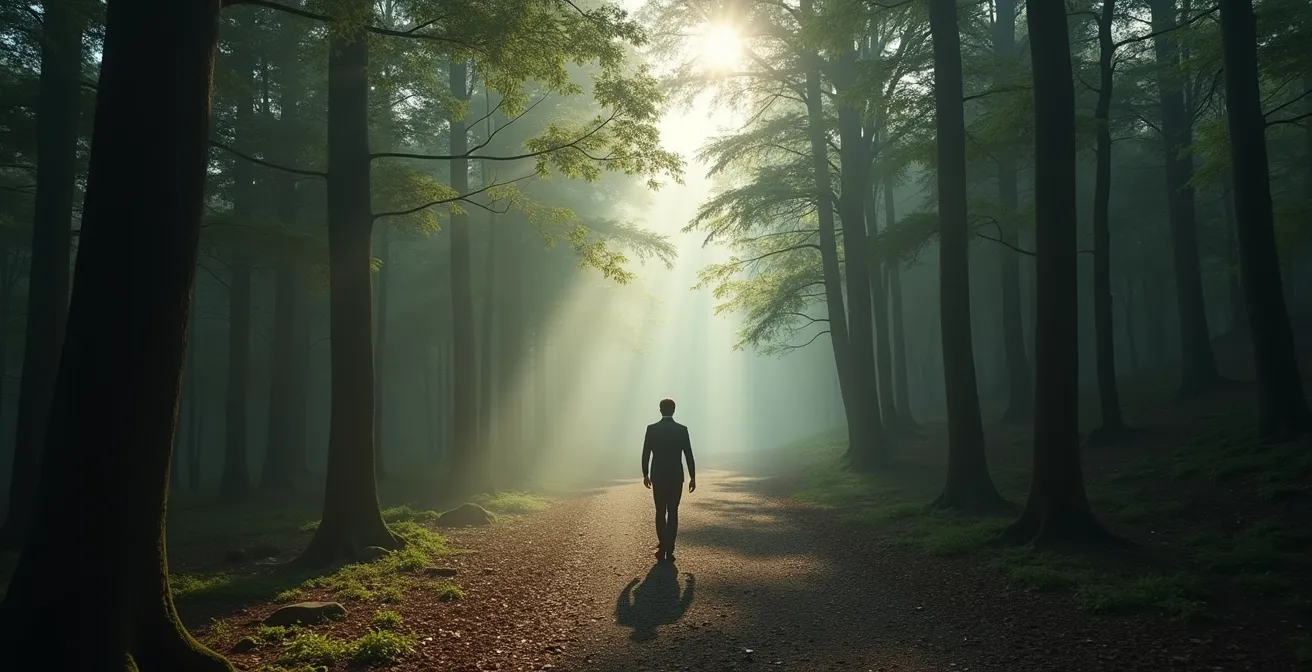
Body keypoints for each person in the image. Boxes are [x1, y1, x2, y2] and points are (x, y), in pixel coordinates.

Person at [642, 398, 696, 563]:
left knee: (660, 511)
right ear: (674, 410)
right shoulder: (681, 430)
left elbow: (646, 453)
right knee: (673, 512)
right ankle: (670, 548)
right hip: (675, 476)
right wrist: (693, 476)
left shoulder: (652, 429)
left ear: (660, 410)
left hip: (658, 475)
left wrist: (645, 474)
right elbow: (688, 454)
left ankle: (663, 545)